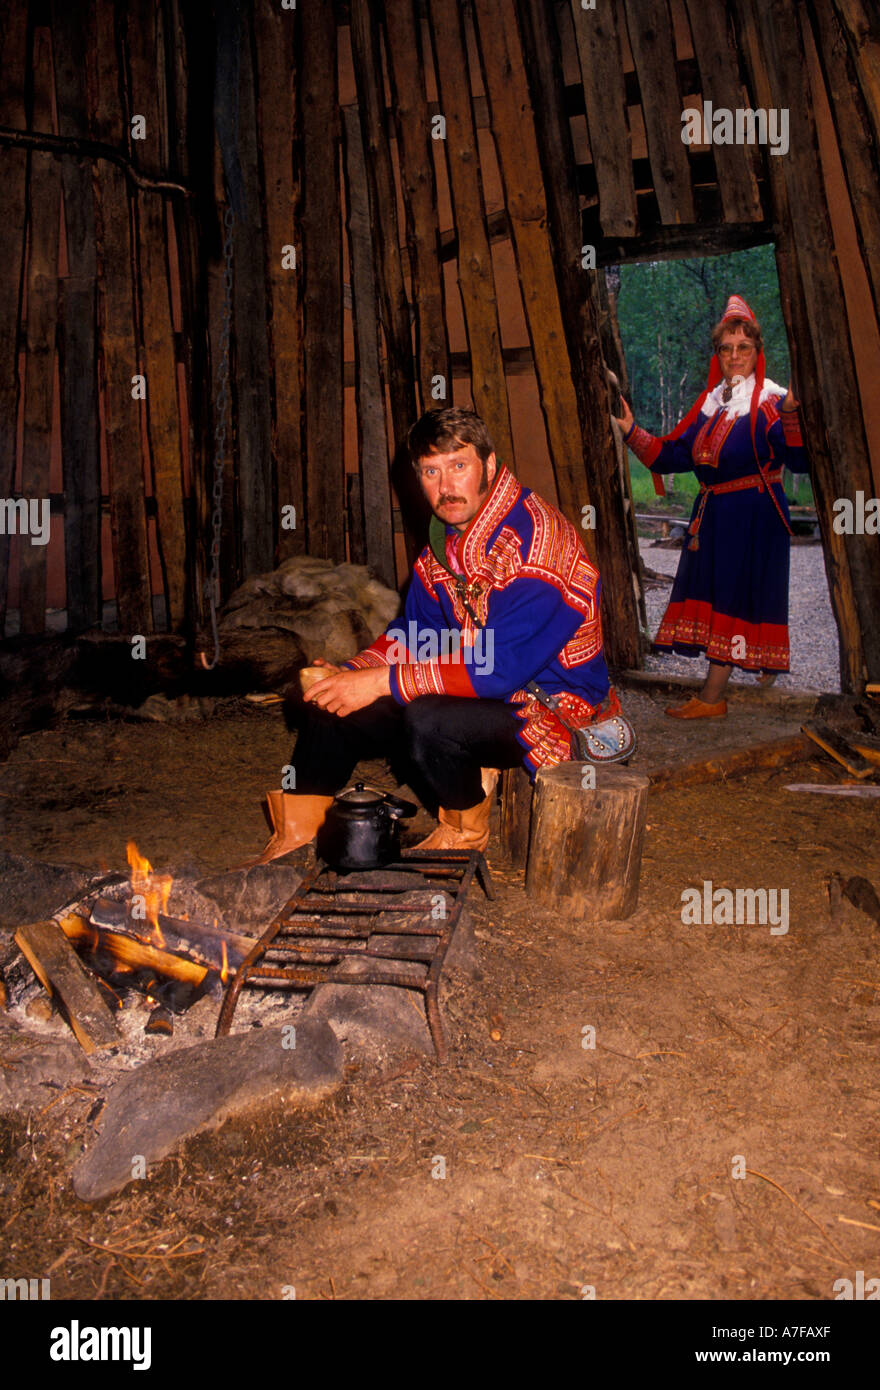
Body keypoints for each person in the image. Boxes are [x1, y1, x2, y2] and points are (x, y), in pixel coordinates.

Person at [247, 406, 623, 863]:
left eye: (458, 466)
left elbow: (499, 668)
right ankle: (297, 834)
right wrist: (352, 671)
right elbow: (416, 634)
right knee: (332, 702)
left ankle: (464, 829)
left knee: (426, 719)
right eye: (431, 471)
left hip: (551, 704)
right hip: (476, 686)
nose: (445, 487)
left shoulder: (537, 544)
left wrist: (380, 683)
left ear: (488, 465)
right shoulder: (445, 546)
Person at [613, 294, 808, 718]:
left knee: (735, 597)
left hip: (755, 515)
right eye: (726, 348)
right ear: (717, 355)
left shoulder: (773, 402)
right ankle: (755, 669)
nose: (735, 355)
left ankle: (712, 697)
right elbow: (674, 456)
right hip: (716, 516)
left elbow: (799, 462)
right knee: (724, 597)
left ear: (758, 353)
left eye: (744, 348)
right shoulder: (710, 406)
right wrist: (631, 430)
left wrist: (793, 415)